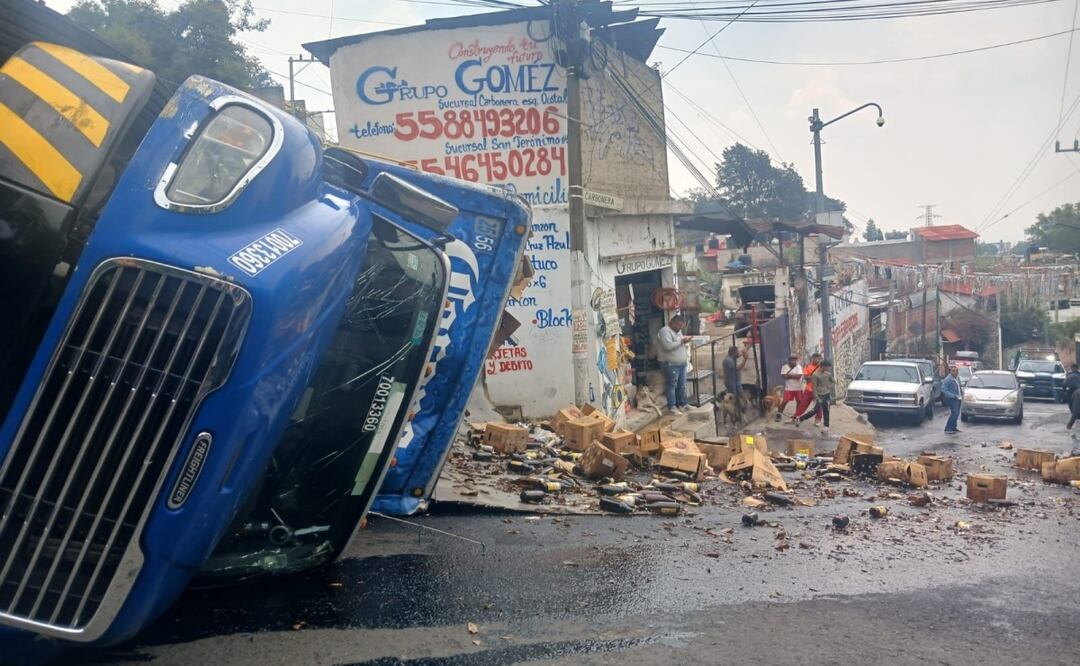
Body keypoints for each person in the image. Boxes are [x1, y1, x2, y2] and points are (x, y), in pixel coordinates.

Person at [657, 315, 691, 415]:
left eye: (681, 326)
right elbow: (668, 346)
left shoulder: (677, 331)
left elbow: (679, 342)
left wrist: (684, 340)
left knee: (682, 385)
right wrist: (681, 341)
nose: (680, 328)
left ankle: (683, 404)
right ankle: (672, 407)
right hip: (671, 364)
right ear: (673, 323)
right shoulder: (665, 331)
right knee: (671, 386)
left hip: (681, 364)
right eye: (678, 325)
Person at [798, 359, 835, 433]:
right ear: (823, 366)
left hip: (827, 395)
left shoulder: (828, 374)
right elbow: (814, 387)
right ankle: (800, 419)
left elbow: (834, 382)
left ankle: (826, 427)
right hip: (819, 395)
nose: (829, 368)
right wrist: (816, 397)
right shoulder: (815, 375)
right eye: (828, 367)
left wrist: (829, 387)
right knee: (814, 410)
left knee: (826, 411)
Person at [794, 353, 822, 425]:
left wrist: (812, 378)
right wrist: (816, 378)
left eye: (818, 359)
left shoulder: (822, 368)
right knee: (803, 404)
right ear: (812, 358)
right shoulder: (808, 367)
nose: (817, 360)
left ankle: (818, 419)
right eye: (815, 358)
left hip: (819, 391)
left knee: (818, 406)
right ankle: (797, 416)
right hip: (809, 389)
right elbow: (806, 378)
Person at [775, 354, 804, 421]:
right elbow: (784, 377)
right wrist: (794, 375)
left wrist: (789, 375)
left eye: (795, 360)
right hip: (789, 388)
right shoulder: (784, 367)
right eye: (792, 360)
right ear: (789, 360)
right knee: (784, 401)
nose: (793, 361)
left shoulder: (799, 367)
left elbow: (798, 377)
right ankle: (779, 414)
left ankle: (797, 415)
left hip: (798, 388)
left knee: (799, 402)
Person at [722, 345, 749, 411]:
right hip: (732, 383)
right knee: (734, 398)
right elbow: (738, 368)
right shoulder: (729, 361)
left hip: (735, 382)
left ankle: (740, 409)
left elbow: (738, 355)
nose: (738, 354)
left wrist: (745, 349)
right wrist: (745, 359)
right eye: (737, 352)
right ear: (733, 353)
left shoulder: (730, 358)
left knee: (740, 396)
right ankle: (736, 411)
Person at [942, 365, 962, 434]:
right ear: (950, 371)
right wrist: (952, 396)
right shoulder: (948, 379)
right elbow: (944, 389)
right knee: (954, 413)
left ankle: (953, 427)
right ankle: (947, 428)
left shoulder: (956, 378)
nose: (955, 372)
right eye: (953, 371)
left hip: (958, 398)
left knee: (957, 414)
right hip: (953, 399)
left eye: (956, 371)